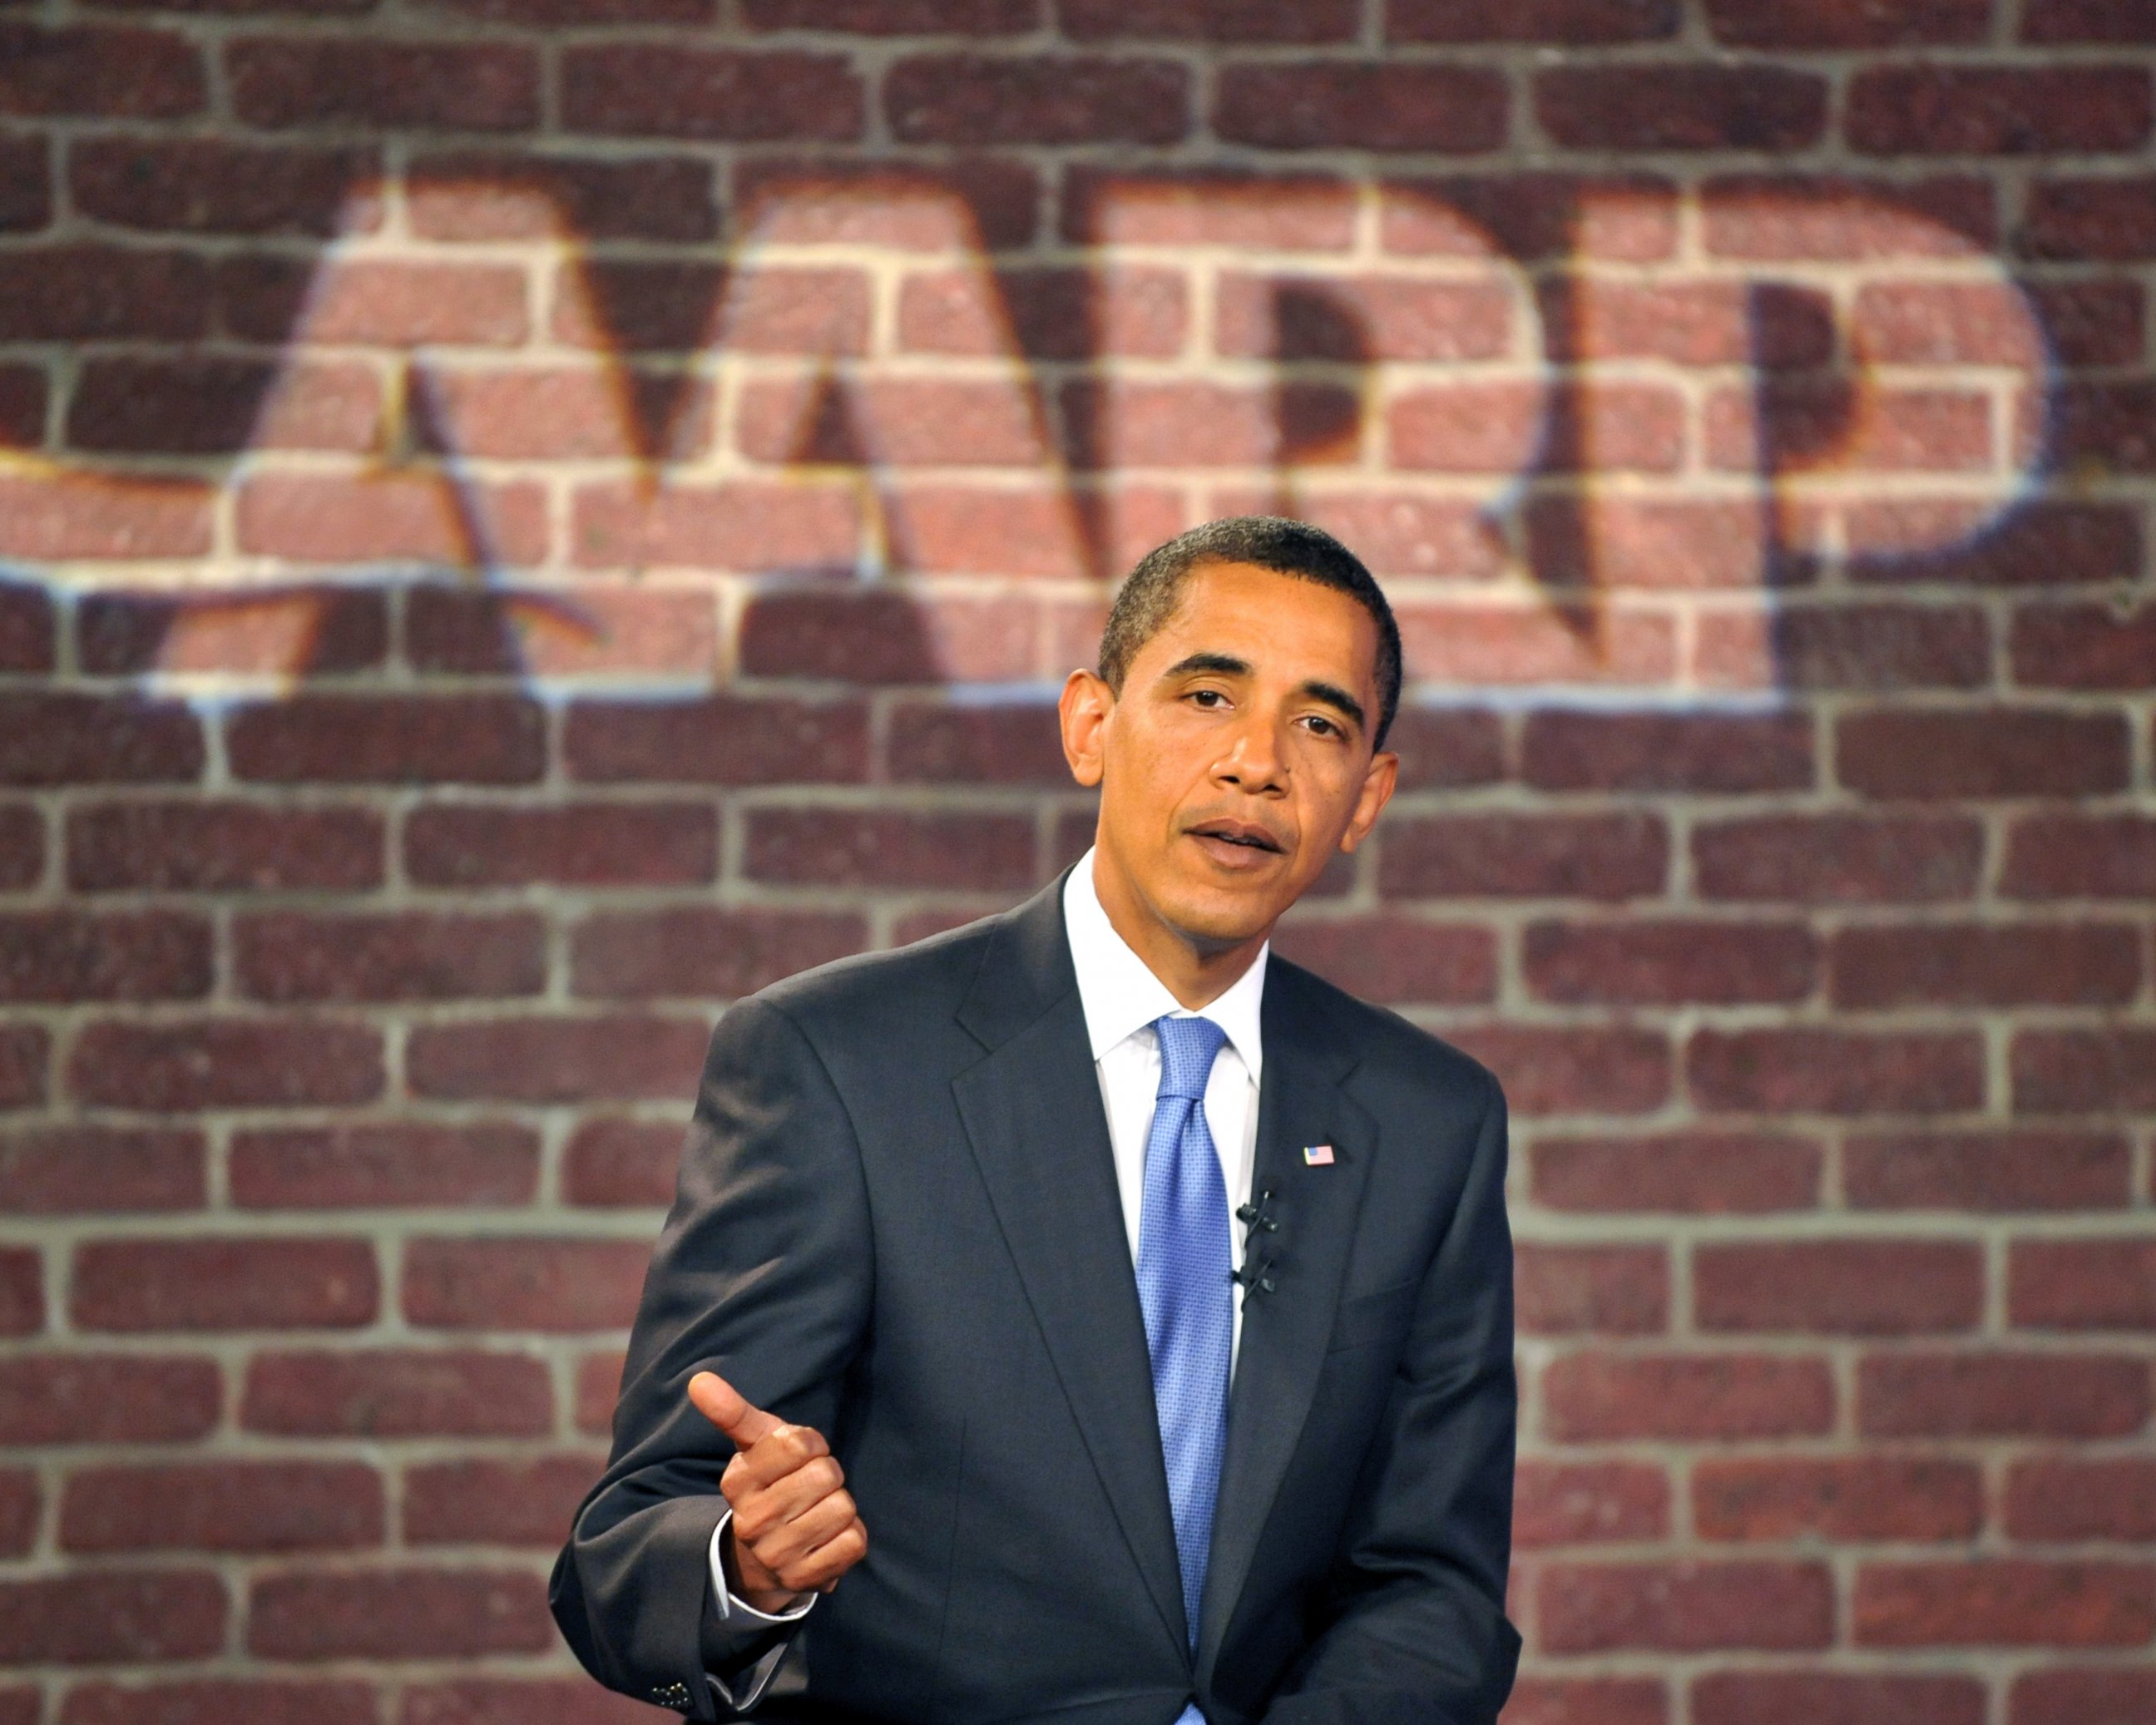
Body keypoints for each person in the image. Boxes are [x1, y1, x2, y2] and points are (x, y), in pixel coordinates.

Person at [550, 517, 1520, 1725]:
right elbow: (622, 1557)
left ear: (1365, 794)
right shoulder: (835, 1063)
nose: (1257, 761)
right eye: (1208, 694)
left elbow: (1430, 1583)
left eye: (1319, 724)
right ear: (1090, 725)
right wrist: (743, 1569)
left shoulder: (1430, 1123)